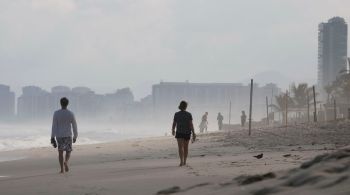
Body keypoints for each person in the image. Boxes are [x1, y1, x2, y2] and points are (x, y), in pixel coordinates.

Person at [51, 97, 78, 173]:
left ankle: (62, 169)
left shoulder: (56, 113)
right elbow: (74, 125)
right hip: (68, 135)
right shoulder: (71, 113)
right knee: (68, 151)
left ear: (60, 103)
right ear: (67, 104)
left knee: (60, 152)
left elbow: (54, 125)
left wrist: (52, 137)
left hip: (59, 135)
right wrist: (75, 136)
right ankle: (66, 161)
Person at [172, 101, 196, 166]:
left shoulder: (176, 114)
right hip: (187, 133)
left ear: (180, 106)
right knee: (186, 147)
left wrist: (173, 130)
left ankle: (181, 161)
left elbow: (174, 123)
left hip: (179, 132)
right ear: (186, 106)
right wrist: (193, 133)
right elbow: (191, 124)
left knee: (180, 147)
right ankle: (185, 161)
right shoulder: (189, 114)